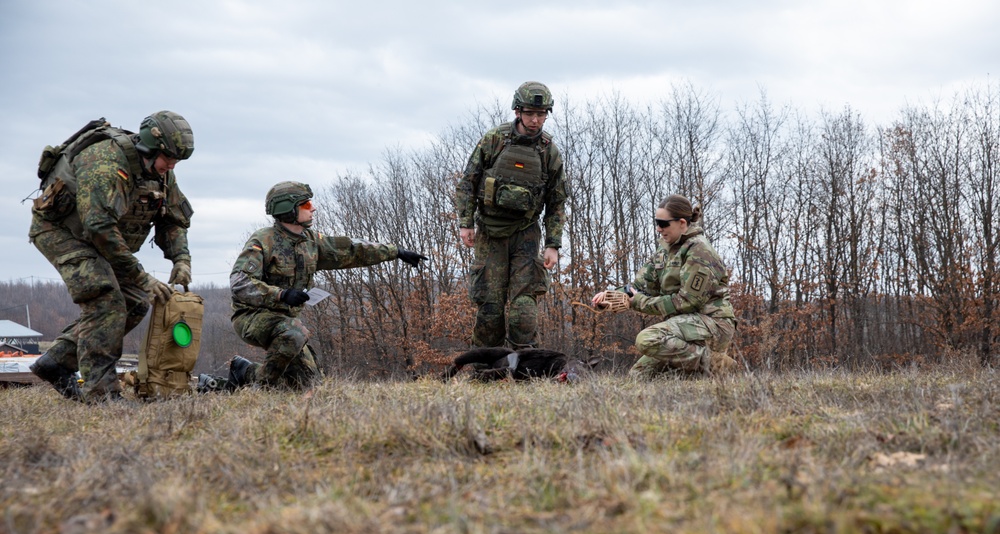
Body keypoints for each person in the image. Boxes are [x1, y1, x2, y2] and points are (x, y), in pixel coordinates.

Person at [29, 111, 195, 402]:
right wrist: (142, 277)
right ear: (149, 148)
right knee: (107, 301)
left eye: (176, 161)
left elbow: (173, 219)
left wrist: (181, 259)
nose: (171, 166)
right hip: (62, 233)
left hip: (100, 239)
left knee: (134, 304)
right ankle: (100, 393)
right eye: (167, 158)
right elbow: (99, 228)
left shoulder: (161, 171)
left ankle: (56, 362)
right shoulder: (105, 162)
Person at [227, 181, 428, 390]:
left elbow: (351, 249)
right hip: (252, 317)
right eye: (306, 204)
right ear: (288, 209)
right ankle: (261, 387)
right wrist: (281, 295)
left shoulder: (311, 241)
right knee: (294, 334)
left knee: (309, 385)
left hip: (285, 322)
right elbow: (240, 283)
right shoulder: (263, 240)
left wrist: (395, 252)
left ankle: (242, 372)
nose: (312, 208)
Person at [454, 81, 568, 349]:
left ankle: (525, 368)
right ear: (518, 111)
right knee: (490, 309)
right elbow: (468, 182)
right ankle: (487, 371)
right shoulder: (494, 140)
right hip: (490, 233)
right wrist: (465, 223)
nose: (535, 120)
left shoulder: (548, 151)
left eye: (541, 115)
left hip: (526, 234)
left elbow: (556, 200)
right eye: (530, 113)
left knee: (523, 309)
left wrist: (553, 244)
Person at [592, 194, 738, 379]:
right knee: (638, 377)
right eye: (656, 222)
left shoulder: (699, 251)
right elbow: (640, 286)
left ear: (682, 223)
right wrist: (614, 296)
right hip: (682, 329)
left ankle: (718, 365)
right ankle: (696, 373)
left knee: (647, 339)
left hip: (712, 324)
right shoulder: (665, 250)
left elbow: (686, 302)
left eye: (663, 223)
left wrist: (636, 302)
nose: (658, 229)